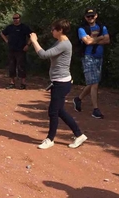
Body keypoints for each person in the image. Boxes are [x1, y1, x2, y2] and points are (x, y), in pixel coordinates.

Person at [29, 19, 87, 149]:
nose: (51, 31)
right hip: (59, 82)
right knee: (59, 111)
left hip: (61, 83)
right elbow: (48, 53)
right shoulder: (60, 42)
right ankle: (79, 135)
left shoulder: (64, 44)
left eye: (53, 29)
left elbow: (43, 55)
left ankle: (50, 139)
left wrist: (34, 41)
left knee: (53, 111)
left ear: (60, 30)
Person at [73, 8, 110, 119]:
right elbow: (87, 42)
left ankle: (78, 99)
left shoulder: (102, 26)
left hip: (99, 56)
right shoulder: (82, 29)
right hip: (88, 56)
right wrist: (100, 38)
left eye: (92, 16)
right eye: (88, 16)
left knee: (93, 82)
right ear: (85, 17)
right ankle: (95, 109)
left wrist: (94, 38)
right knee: (94, 83)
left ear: (96, 16)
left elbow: (107, 40)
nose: (90, 18)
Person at [0, 13, 32, 89]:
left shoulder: (24, 27)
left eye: (17, 18)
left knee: (21, 66)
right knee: (11, 66)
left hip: (21, 50)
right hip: (11, 49)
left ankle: (23, 83)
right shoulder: (10, 27)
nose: (15, 19)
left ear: (19, 18)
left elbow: (32, 35)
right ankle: (12, 82)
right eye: (14, 18)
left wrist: (28, 45)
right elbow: (2, 33)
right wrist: (6, 41)